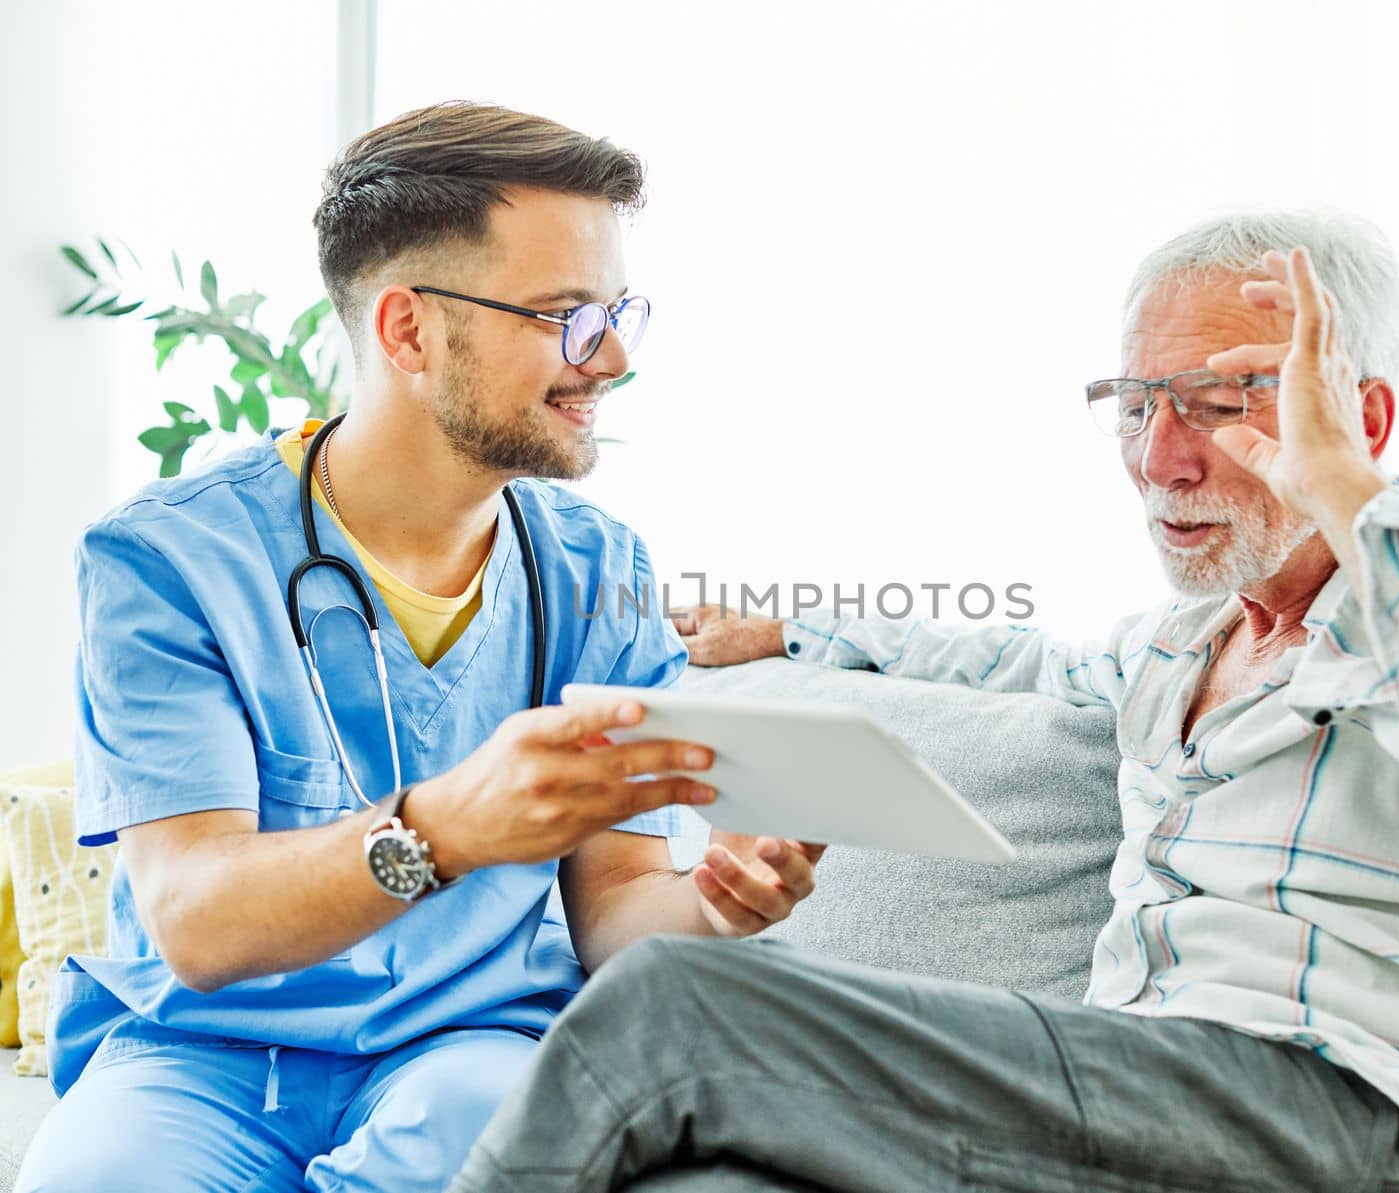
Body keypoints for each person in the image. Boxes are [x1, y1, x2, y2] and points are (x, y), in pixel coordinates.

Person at [448, 213, 1399, 1193]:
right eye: (1138, 404)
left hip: (1368, 1119)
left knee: (670, 1007)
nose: (1162, 458)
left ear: (1363, 419)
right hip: (1141, 1100)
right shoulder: (1175, 647)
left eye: (1219, 402)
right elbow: (1015, 663)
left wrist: (1347, 495)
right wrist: (793, 630)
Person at [17, 101, 823, 1193]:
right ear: (408, 330)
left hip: (465, 1043)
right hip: (197, 1054)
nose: (616, 356)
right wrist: (443, 827)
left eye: (619, 310)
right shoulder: (167, 560)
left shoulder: (598, 571)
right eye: (567, 315)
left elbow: (617, 902)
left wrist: (710, 904)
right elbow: (197, 920)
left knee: (473, 1129)